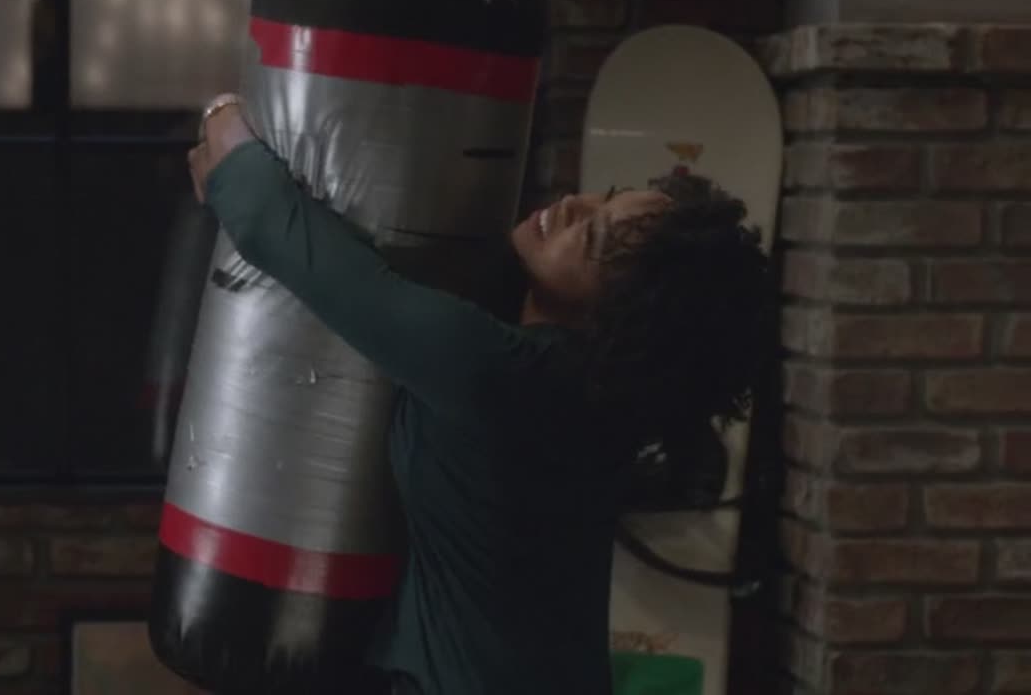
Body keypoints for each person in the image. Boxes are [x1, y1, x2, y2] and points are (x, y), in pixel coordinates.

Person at [187, 94, 773, 695]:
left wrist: (224, 110)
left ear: (622, 313)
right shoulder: (595, 398)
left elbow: (281, 231)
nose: (572, 204)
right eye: (604, 196)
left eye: (592, 236)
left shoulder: (503, 377)